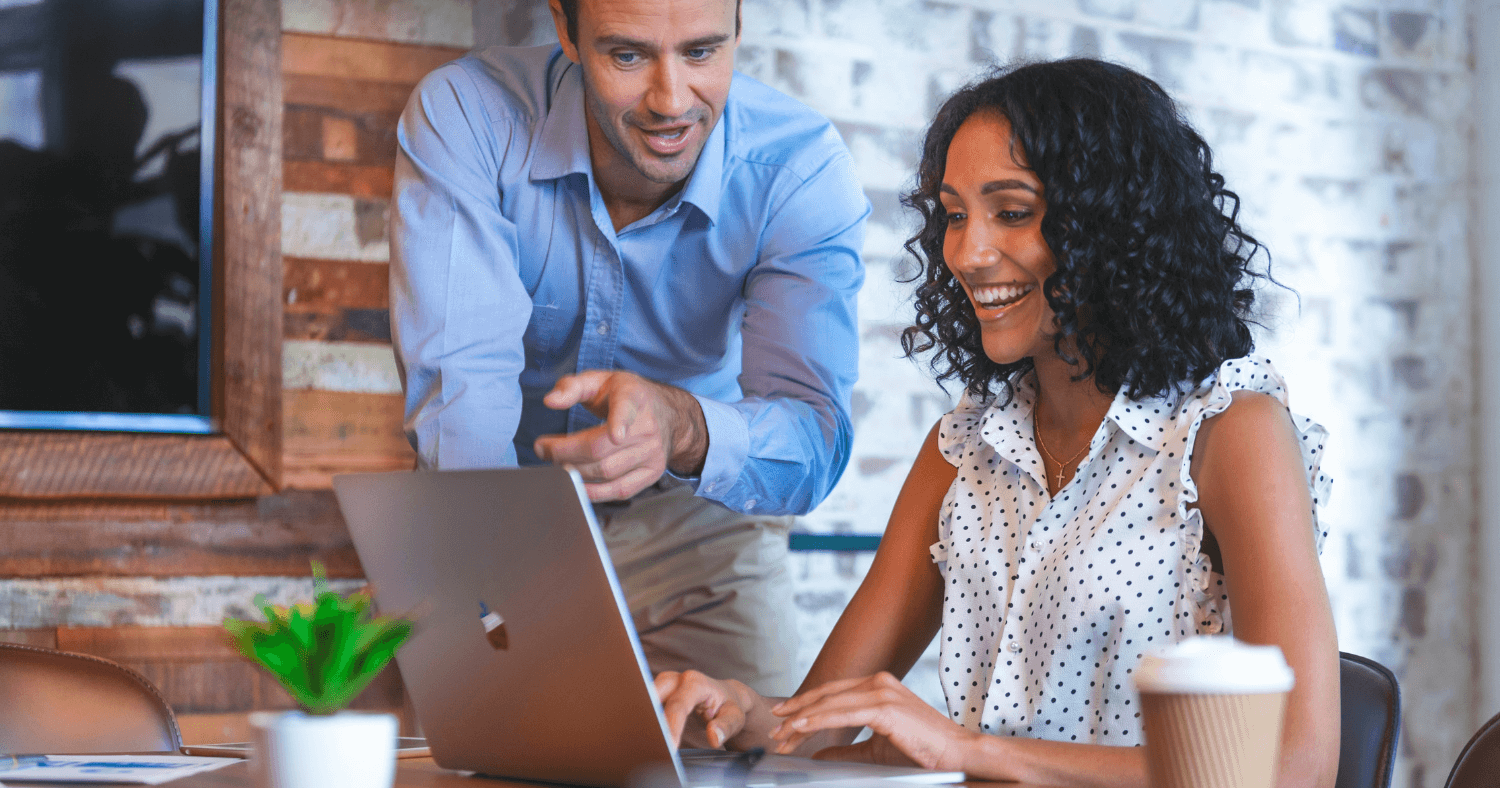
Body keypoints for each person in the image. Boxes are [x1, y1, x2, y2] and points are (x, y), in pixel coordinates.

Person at [655, 58, 1341, 788]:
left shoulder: (1230, 432)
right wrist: (739, 716)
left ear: (1111, 226)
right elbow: (816, 729)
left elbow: (1294, 766)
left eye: (1012, 212)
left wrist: (967, 751)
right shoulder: (964, 447)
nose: (968, 254)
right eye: (954, 215)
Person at [388, 0, 870, 696]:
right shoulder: (468, 115)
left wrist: (682, 425)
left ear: (739, 27)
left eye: (702, 52)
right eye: (628, 55)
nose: (671, 102)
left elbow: (812, 442)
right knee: (470, 760)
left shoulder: (797, 169)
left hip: (700, 529)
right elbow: (461, 400)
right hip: (499, 503)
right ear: (565, 29)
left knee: (747, 763)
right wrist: (491, 606)